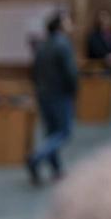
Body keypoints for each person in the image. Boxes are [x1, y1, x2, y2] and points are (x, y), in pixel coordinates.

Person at [28, 11, 79, 185]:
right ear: (60, 25)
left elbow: (33, 72)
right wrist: (74, 92)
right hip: (60, 95)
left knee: (51, 133)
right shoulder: (63, 45)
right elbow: (70, 73)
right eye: (67, 21)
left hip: (43, 94)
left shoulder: (42, 45)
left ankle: (56, 171)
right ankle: (37, 156)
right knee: (63, 132)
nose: (70, 24)